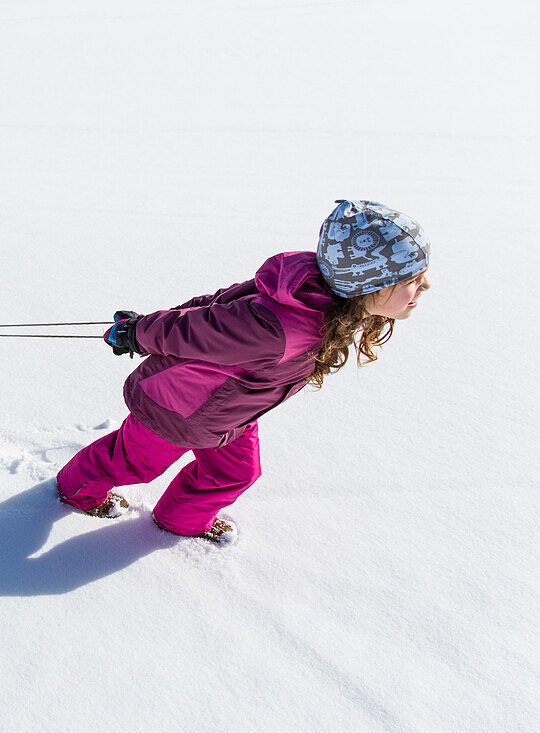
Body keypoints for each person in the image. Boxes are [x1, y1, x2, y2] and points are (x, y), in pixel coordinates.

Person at [57, 200, 432, 543]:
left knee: (235, 474)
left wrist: (149, 324)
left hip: (231, 409)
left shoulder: (318, 297)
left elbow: (215, 306)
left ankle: (179, 522)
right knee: (130, 461)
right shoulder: (278, 327)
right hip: (174, 407)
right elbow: (201, 327)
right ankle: (76, 490)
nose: (426, 286)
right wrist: (139, 332)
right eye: (412, 280)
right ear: (367, 284)